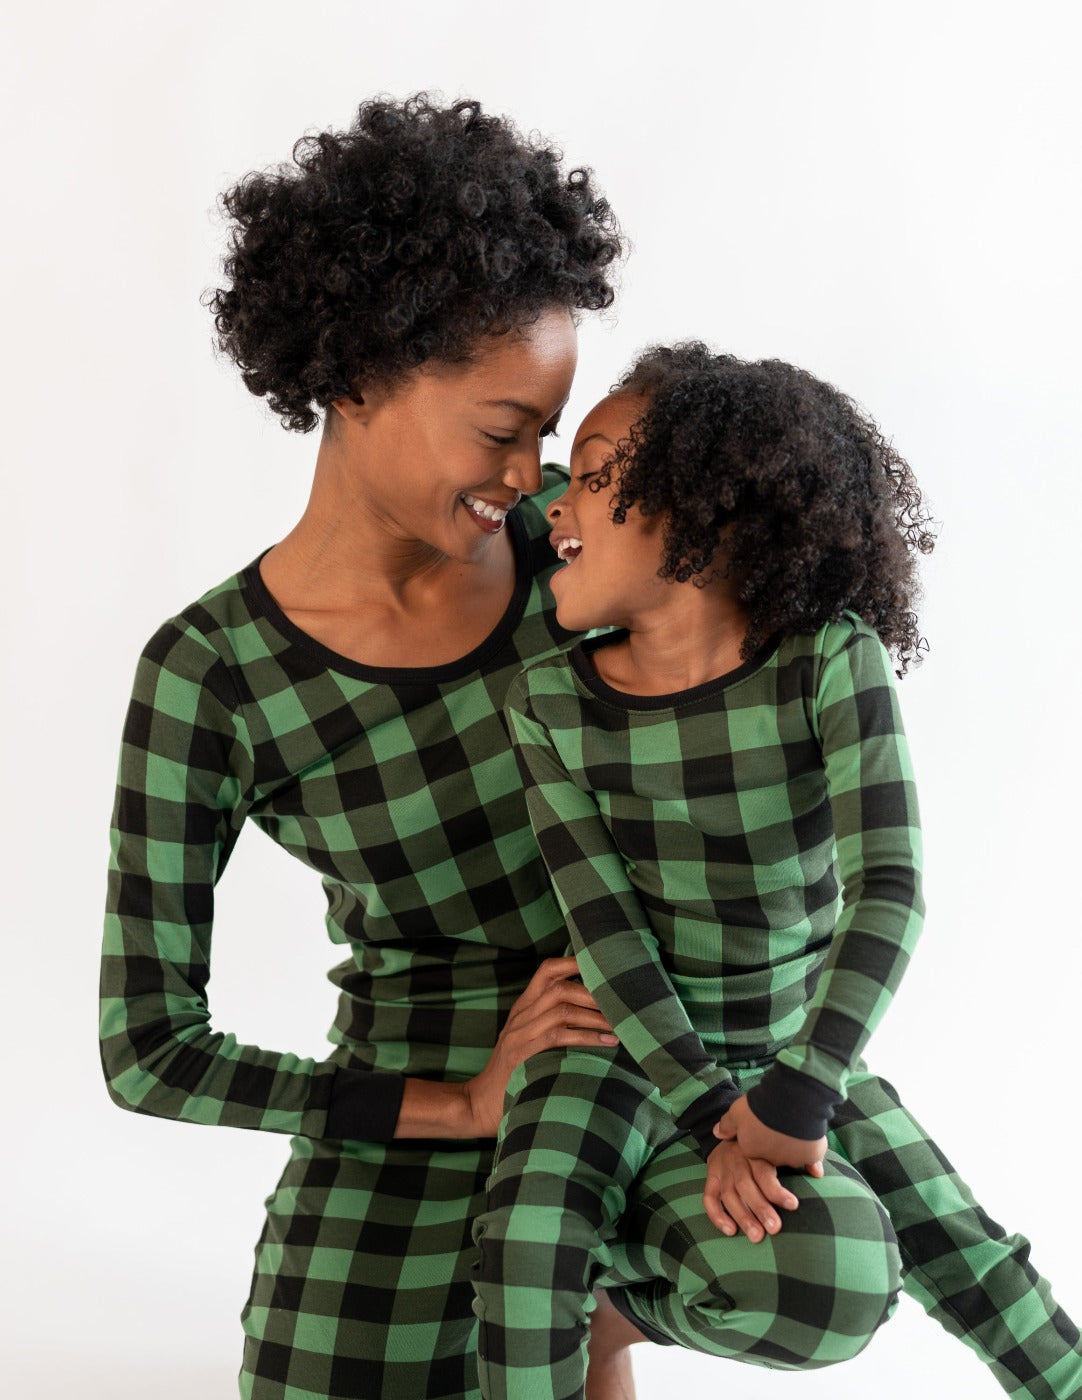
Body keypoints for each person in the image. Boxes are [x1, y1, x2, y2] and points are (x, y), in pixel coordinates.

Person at [99, 93, 631, 1400]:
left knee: (794, 1274)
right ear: (353, 374)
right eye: (500, 430)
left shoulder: (582, 552)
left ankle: (607, 1307)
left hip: (630, 1069)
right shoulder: (213, 674)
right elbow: (147, 1048)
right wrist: (458, 1104)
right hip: (411, 1098)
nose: (530, 470)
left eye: (547, 432)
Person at [472, 343, 1082, 1400]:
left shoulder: (828, 660)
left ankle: (615, 1317)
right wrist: (713, 1111)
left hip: (794, 1048)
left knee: (963, 1251)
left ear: (706, 507)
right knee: (528, 1242)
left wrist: (796, 1092)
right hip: (620, 1047)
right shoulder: (549, 702)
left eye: (596, 470)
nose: (554, 501)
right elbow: (605, 927)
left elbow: (889, 889)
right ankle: (589, 1296)